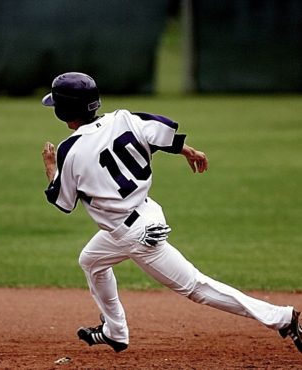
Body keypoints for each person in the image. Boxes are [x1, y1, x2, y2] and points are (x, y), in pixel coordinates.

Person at [40, 71, 301, 354]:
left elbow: (63, 202)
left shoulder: (71, 149)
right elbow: (160, 133)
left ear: (64, 110)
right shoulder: (123, 118)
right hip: (143, 216)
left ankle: (281, 318)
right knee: (91, 261)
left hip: (133, 234)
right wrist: (188, 150)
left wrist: (51, 167)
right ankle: (115, 331)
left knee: (196, 287)